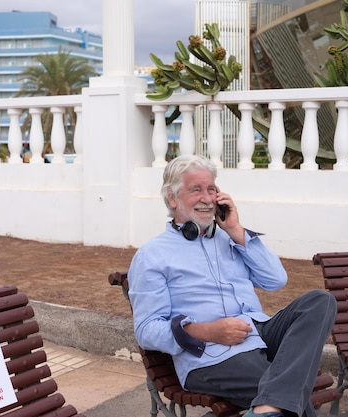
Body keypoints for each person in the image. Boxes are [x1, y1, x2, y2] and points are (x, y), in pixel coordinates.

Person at [128, 155, 337, 417]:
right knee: (286, 395)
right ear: (172, 198)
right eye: (196, 190)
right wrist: (209, 331)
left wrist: (237, 230)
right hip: (211, 356)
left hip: (256, 333)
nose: (207, 198)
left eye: (212, 189)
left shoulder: (228, 239)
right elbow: (147, 330)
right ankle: (269, 405)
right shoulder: (152, 255)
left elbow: (276, 279)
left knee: (320, 301)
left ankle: (265, 407)